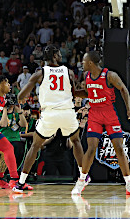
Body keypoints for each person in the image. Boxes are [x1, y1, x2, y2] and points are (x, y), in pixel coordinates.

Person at [15, 45, 85, 192]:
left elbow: (21, 96)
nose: (61, 56)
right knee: (76, 141)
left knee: (34, 146)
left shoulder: (39, 74)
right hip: (67, 112)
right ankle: (83, 177)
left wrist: (23, 98)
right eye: (58, 54)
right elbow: (74, 94)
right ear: (53, 56)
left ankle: (21, 183)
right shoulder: (69, 72)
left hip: (50, 114)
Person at [72, 50, 130, 196]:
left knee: (119, 148)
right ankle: (81, 181)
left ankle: (129, 183)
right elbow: (88, 93)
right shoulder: (87, 76)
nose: (82, 64)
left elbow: (123, 89)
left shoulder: (109, 75)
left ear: (90, 62)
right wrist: (74, 92)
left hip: (109, 113)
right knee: (91, 148)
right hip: (95, 113)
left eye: (84, 61)